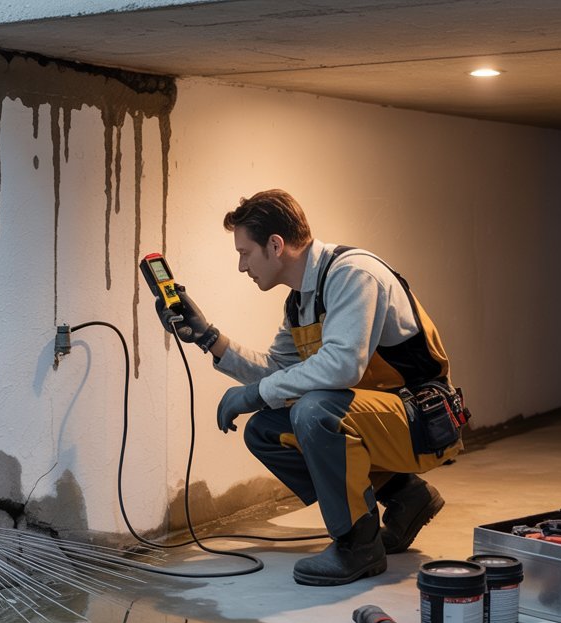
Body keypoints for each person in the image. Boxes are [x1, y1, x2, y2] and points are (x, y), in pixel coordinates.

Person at [155, 189, 468, 586]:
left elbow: (342, 365)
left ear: (275, 245)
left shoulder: (353, 274)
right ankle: (405, 495)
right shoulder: (301, 300)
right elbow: (277, 370)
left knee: (314, 411)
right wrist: (208, 337)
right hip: (383, 417)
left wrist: (252, 395)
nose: (240, 265)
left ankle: (357, 545)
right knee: (266, 430)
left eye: (245, 252)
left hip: (423, 420)